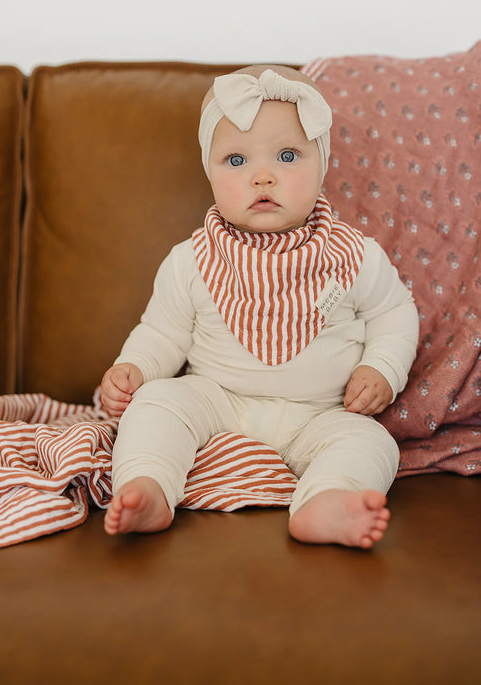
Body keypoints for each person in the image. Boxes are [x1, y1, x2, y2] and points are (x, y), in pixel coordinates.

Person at [100, 65, 419, 548]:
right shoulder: (193, 260)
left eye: (288, 156)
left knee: (372, 443)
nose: (263, 176)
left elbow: (395, 314)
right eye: (235, 160)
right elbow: (163, 332)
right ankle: (147, 485)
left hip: (319, 413)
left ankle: (325, 502)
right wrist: (135, 368)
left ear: (322, 164)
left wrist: (382, 368)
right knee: (157, 403)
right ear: (208, 171)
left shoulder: (354, 255)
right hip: (217, 400)